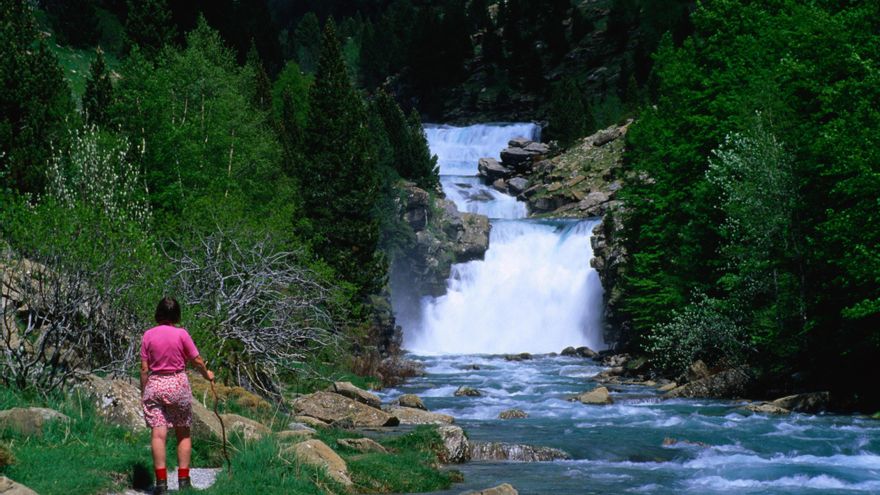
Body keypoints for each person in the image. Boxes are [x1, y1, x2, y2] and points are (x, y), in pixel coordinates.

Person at [141, 296, 214, 494]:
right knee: (183, 432)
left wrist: (143, 391)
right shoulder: (182, 334)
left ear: (158, 313)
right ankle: (183, 481)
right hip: (177, 384)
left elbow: (144, 369)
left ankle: (161, 484)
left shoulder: (148, 335)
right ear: (177, 314)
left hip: (155, 384)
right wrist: (207, 375)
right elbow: (196, 360)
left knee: (158, 433)